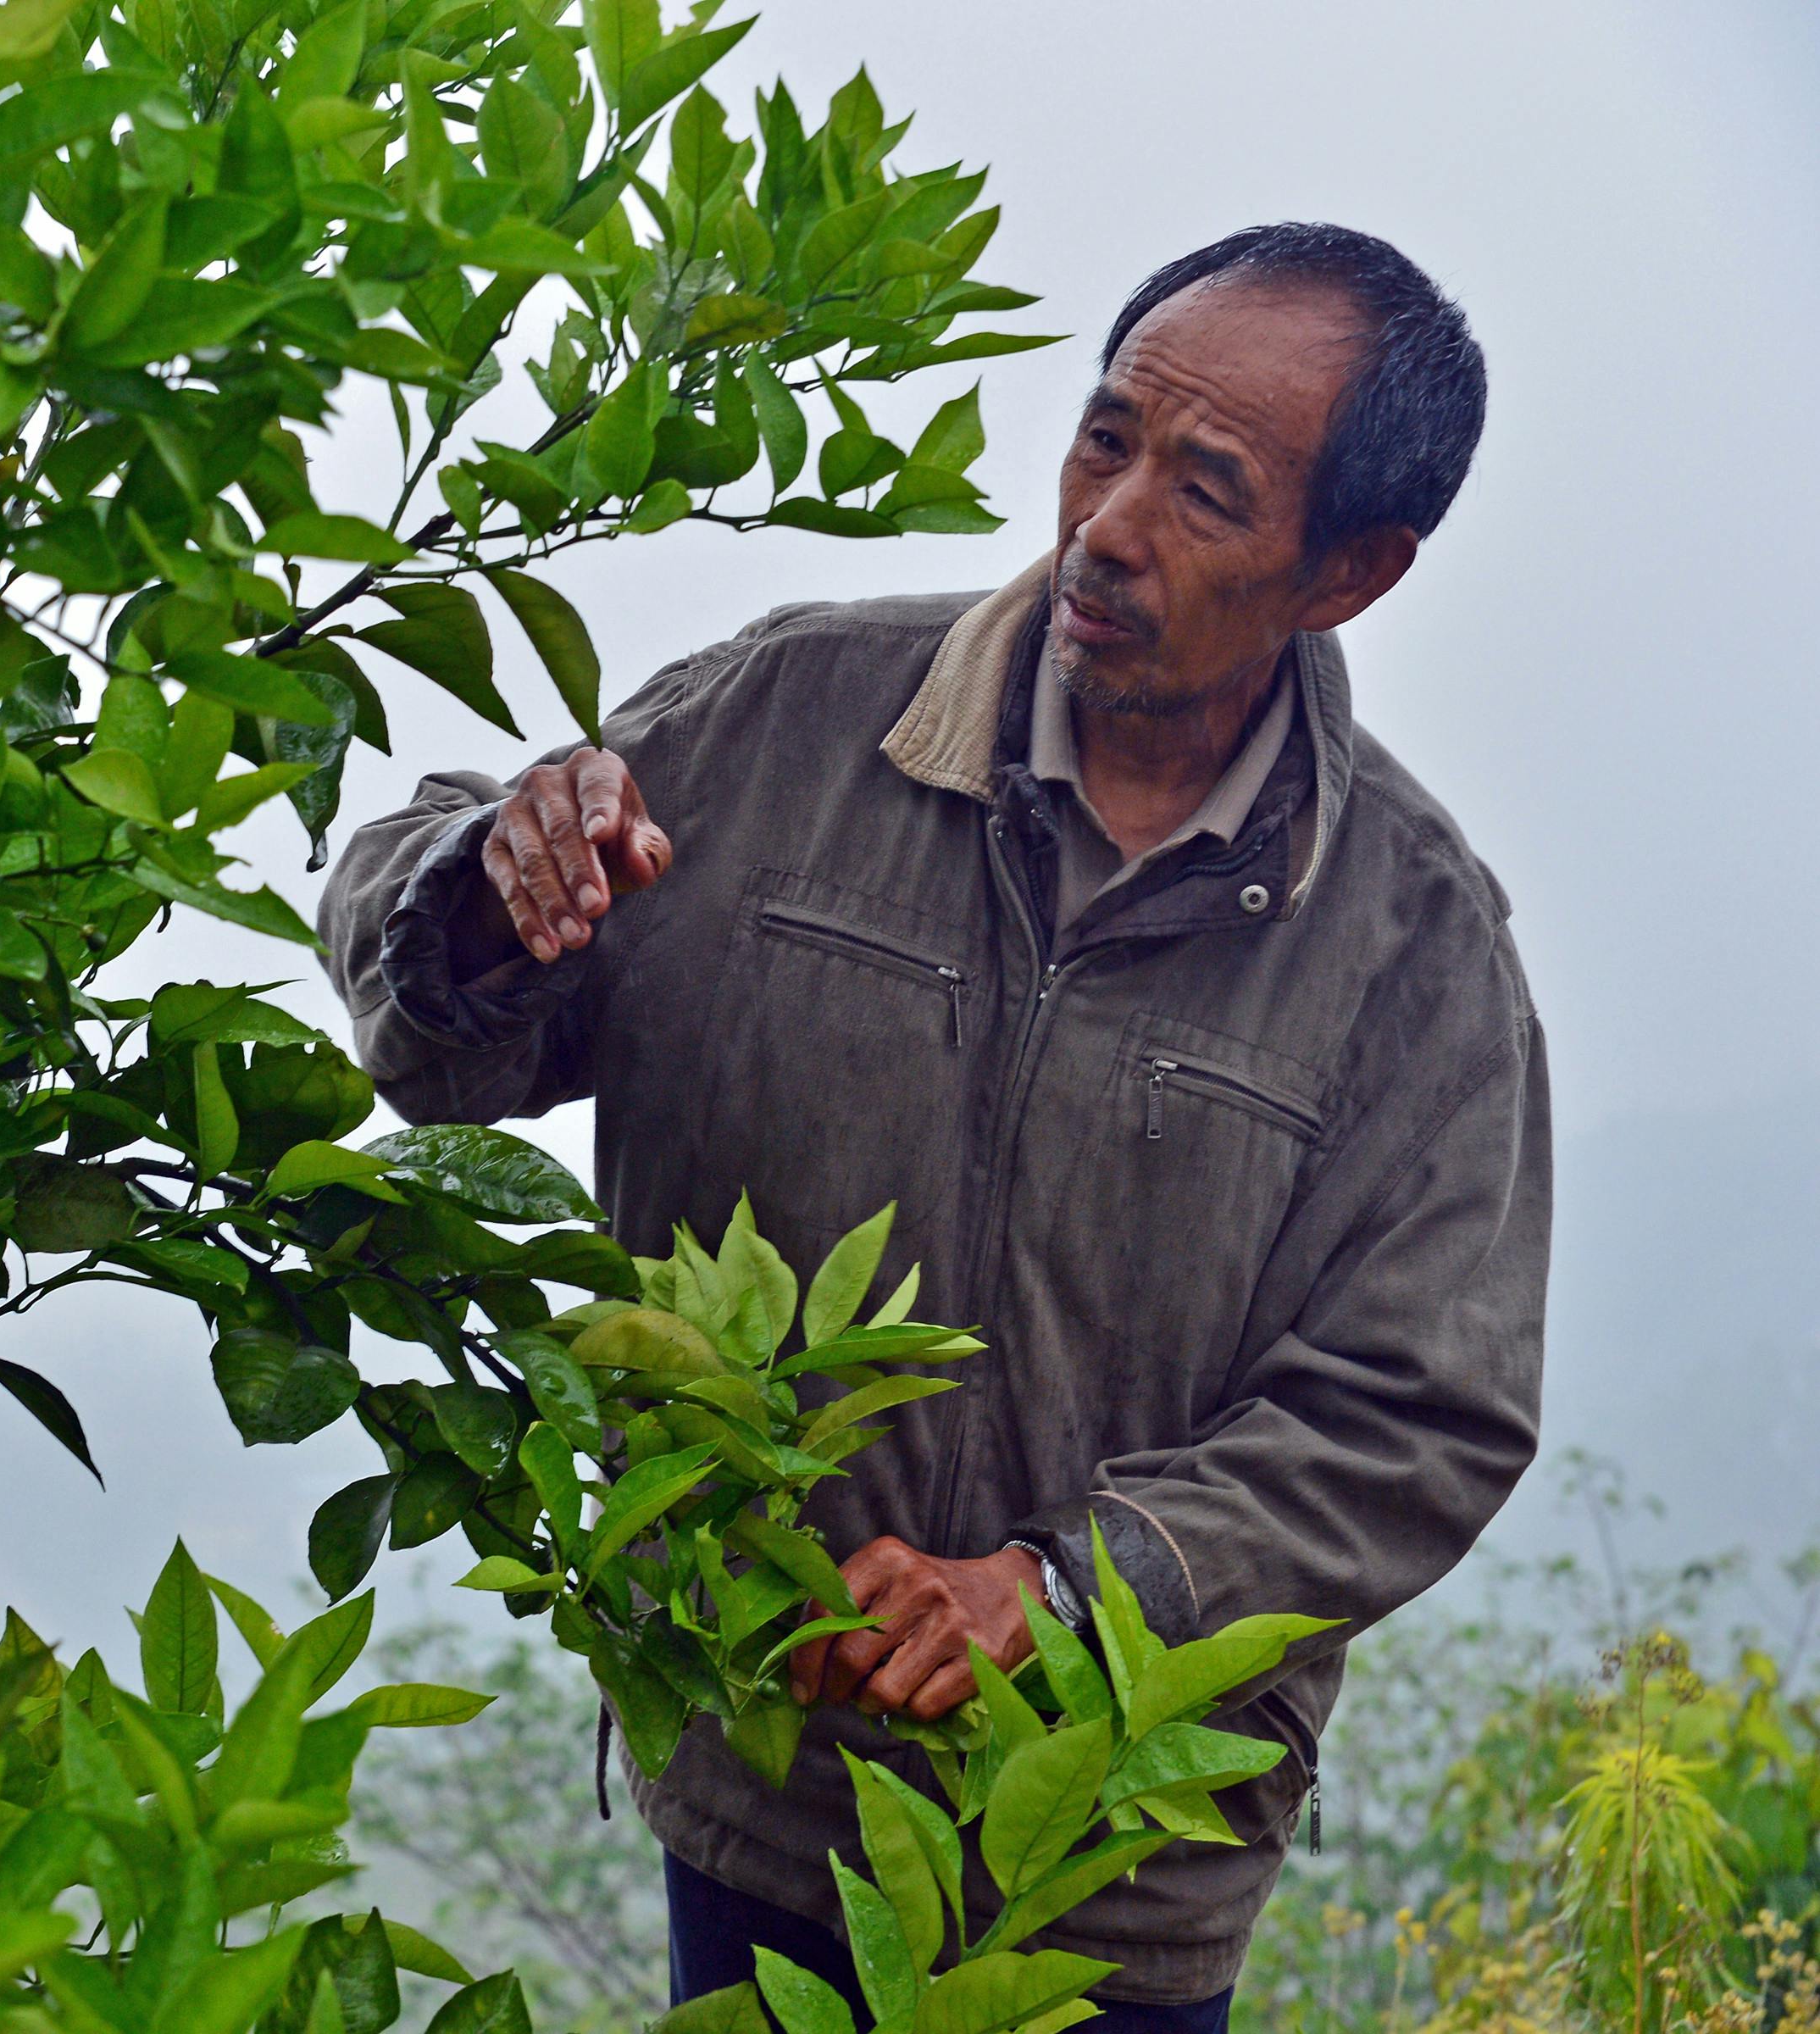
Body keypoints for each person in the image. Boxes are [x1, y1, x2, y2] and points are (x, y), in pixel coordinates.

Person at [318, 223, 1547, 2029]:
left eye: (1203, 489)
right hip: (756, 1763)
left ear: (1348, 572)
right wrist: (491, 886)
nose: (1107, 524)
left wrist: (1068, 1593)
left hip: (1105, 1866)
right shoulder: (793, 720)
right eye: (1106, 438)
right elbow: (435, 998)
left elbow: (1417, 1412)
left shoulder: (1410, 943)